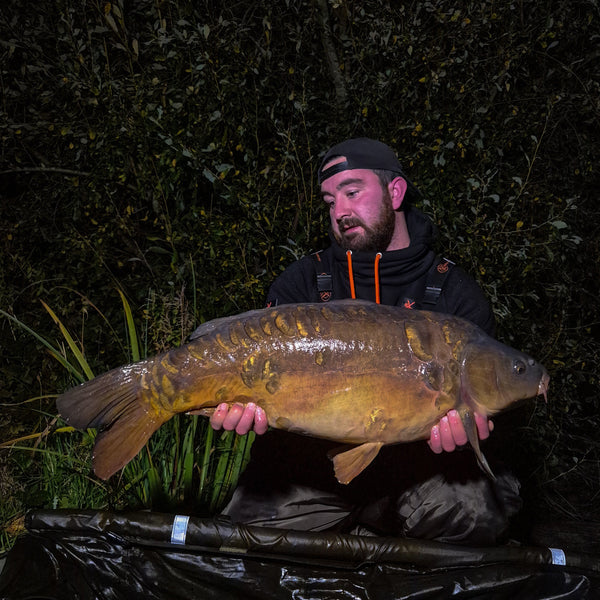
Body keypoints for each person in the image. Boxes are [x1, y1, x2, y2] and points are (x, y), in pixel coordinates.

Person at [208, 138, 521, 545]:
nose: (340, 212)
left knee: (479, 506)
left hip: (419, 477)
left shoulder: (456, 295)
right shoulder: (302, 283)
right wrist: (241, 409)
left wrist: (470, 436)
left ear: (395, 191)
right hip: (311, 474)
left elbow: (488, 408)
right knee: (237, 544)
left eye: (352, 192)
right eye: (329, 200)